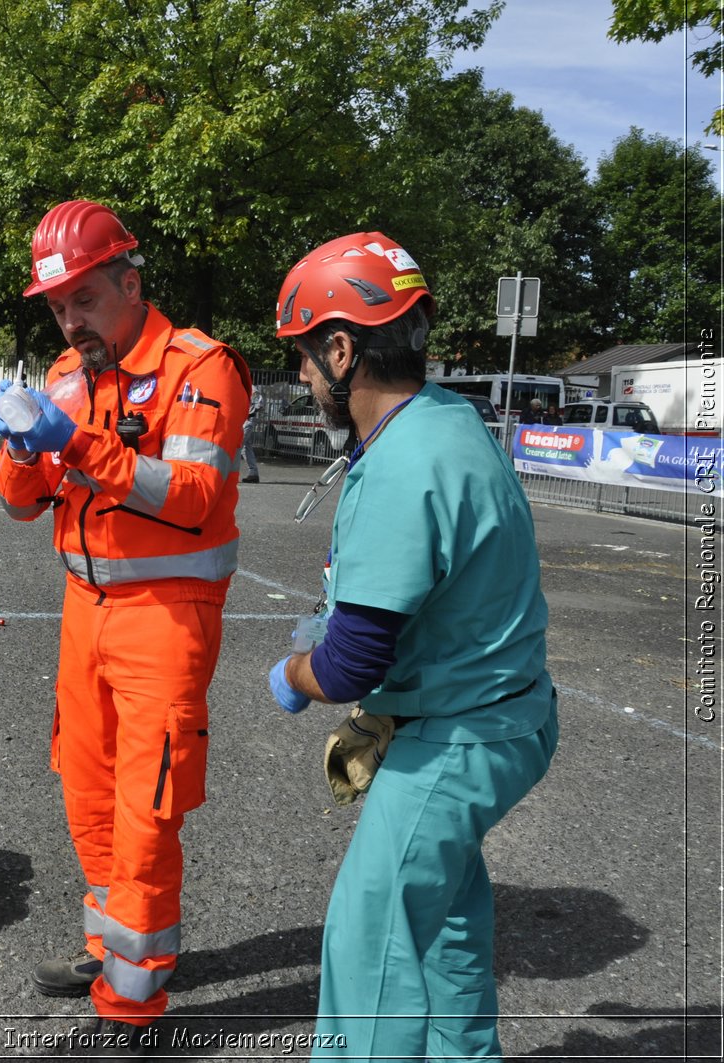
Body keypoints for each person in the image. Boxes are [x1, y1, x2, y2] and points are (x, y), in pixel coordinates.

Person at [266, 232, 557, 1061]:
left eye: (302, 357)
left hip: (457, 737)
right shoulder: (449, 418)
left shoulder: (399, 467)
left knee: (373, 941)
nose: (300, 377)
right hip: (510, 716)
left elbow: (352, 661)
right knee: (446, 922)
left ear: (342, 348)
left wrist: (292, 672)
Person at [0, 199, 250, 1054]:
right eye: (59, 304)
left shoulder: (200, 369)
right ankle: (112, 952)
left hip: (164, 621)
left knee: (145, 810)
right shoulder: (68, 373)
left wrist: (81, 446)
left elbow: (193, 498)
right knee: (87, 795)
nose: (71, 318)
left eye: (85, 297)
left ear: (131, 283)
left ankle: (131, 1009)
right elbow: (18, 506)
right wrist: (23, 448)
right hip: (82, 613)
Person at [240, 384, 263, 483]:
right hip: (243, 419)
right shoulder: (240, 385)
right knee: (245, 447)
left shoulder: (251, 388)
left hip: (248, 419)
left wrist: (251, 411)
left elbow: (260, 403)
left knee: (237, 446)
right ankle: (253, 473)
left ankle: (228, 473)